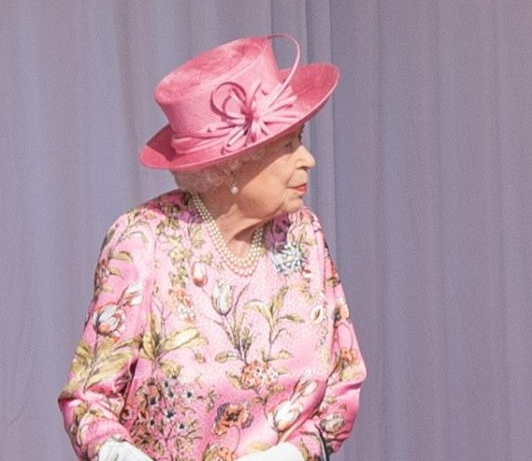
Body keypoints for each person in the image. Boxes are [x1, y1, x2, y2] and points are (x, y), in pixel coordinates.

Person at [58, 34, 365, 461]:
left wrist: (288, 456)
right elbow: (88, 400)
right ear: (230, 166)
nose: (308, 159)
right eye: (287, 145)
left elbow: (344, 382)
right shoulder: (144, 241)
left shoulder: (303, 233)